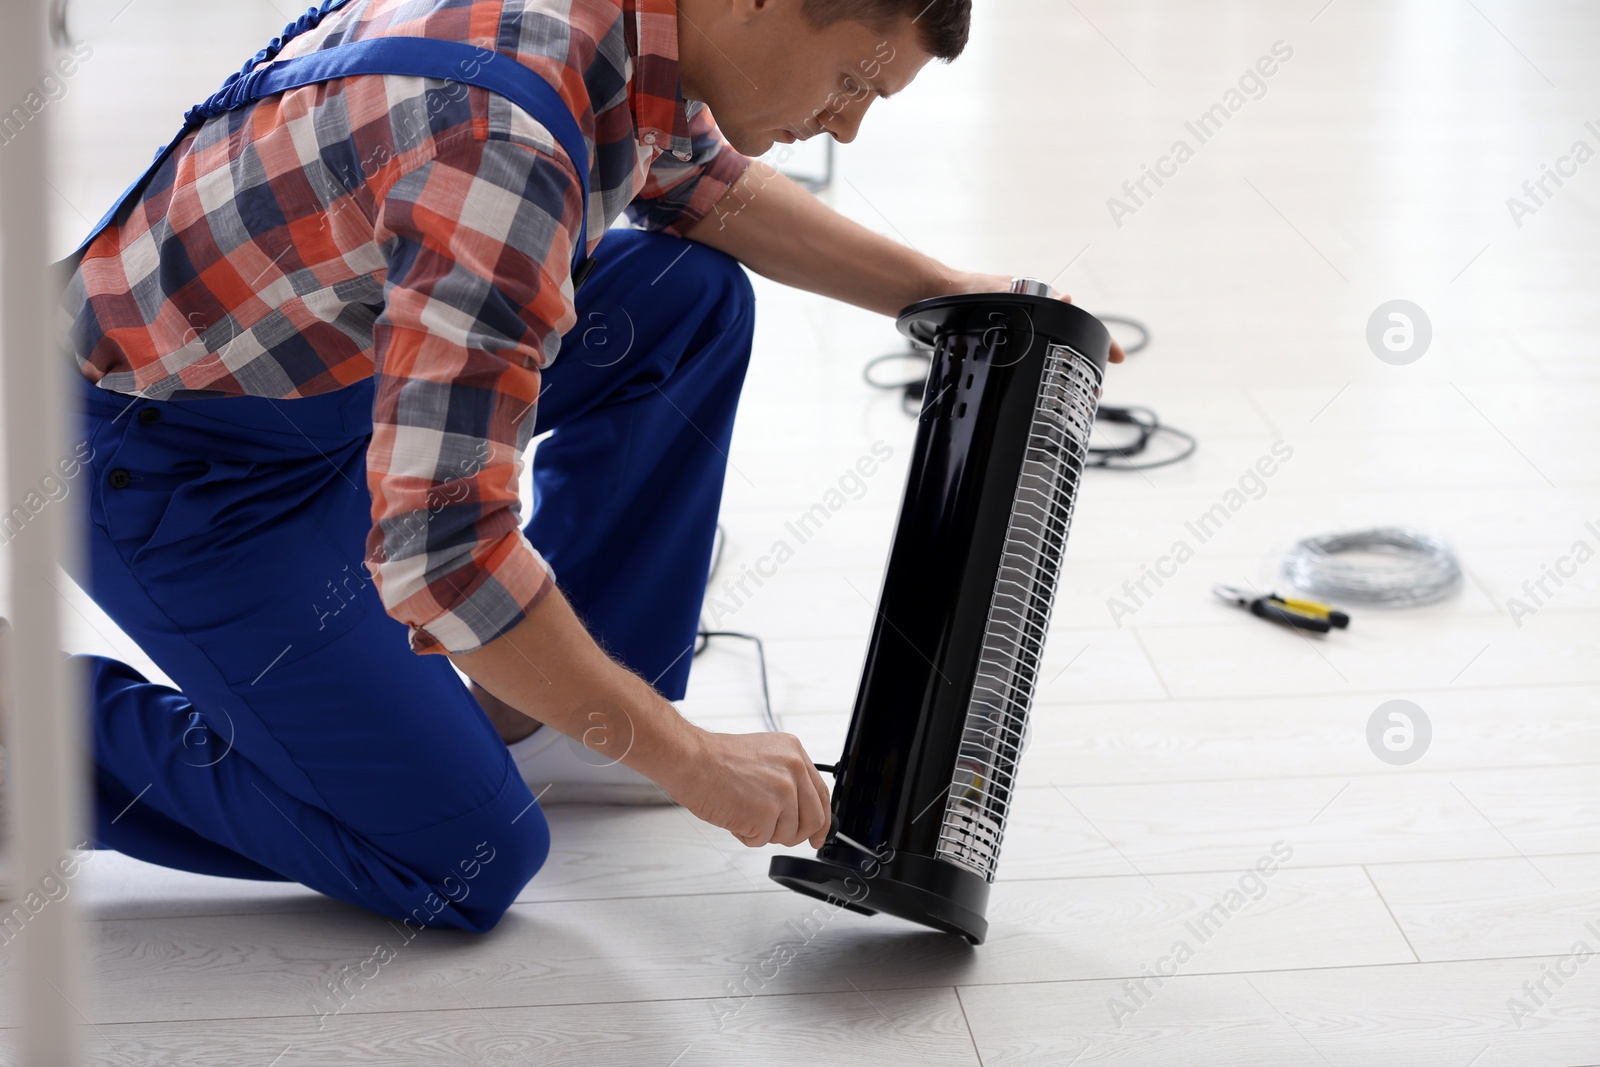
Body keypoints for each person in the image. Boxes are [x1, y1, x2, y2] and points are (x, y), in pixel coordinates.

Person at [55, 0, 1122, 933]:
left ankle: (551, 714)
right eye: (851, 80)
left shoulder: (623, 27)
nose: (846, 122)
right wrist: (694, 760)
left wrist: (951, 294)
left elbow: (712, 193)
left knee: (687, 299)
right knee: (461, 857)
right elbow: (443, 558)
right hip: (173, 461)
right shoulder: (504, 144)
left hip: (322, 375)